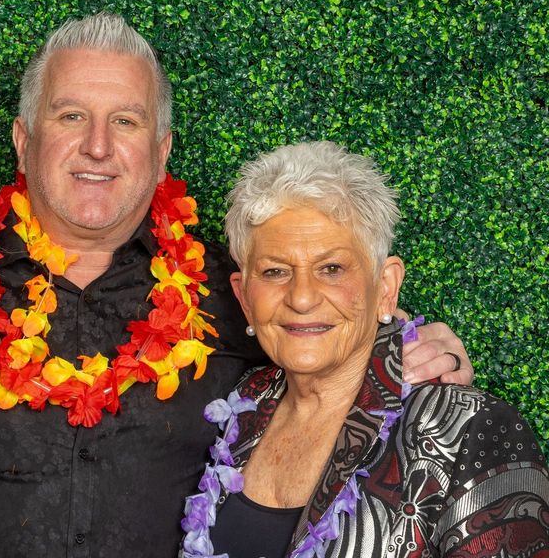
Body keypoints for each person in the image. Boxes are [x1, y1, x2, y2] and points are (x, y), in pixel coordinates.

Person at [0, 12, 474, 556]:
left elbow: (330, 329)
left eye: (126, 121)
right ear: (23, 139)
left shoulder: (233, 291)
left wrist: (411, 349)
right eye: (71, 115)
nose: (97, 146)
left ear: (162, 149)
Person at [180, 141, 549, 557]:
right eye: (275, 271)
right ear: (245, 297)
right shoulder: (242, 403)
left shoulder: (466, 429)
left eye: (332, 268)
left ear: (386, 287)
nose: (302, 298)